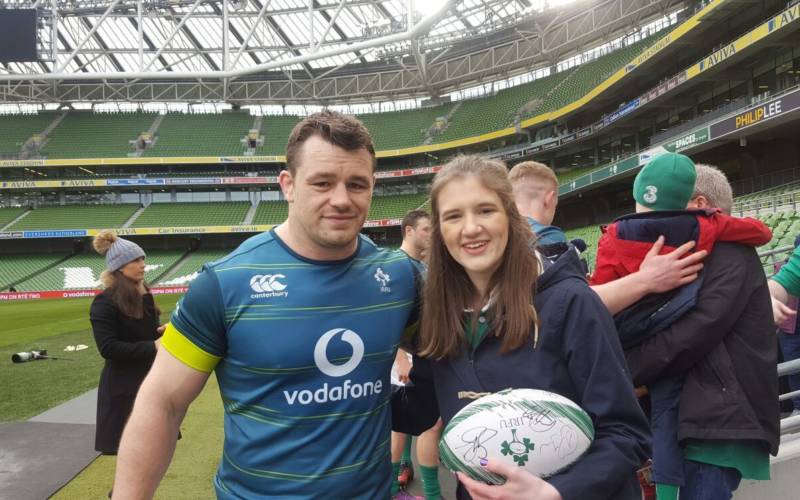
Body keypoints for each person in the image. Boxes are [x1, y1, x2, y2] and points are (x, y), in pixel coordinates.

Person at [112, 111, 421, 498]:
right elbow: (164, 402)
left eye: (357, 184)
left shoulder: (400, 277)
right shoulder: (224, 283)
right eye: (322, 182)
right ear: (288, 185)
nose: (341, 199)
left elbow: (451, 356)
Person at [393, 155, 652, 500]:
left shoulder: (571, 302)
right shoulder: (440, 316)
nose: (470, 228)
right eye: (453, 216)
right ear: (440, 232)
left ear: (510, 217)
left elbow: (627, 433)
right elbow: (417, 411)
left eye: (485, 210)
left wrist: (556, 492)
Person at [589, 154, 772, 497]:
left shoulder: (731, 255)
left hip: (711, 425)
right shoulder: (676, 252)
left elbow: (689, 336)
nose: (656, 223)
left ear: (701, 205)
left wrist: (625, 374)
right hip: (687, 423)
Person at [507, 160, 709, 316]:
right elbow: (575, 307)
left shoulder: (499, 240)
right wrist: (645, 279)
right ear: (549, 199)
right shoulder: (550, 240)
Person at [90, 230, 163, 457]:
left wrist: (163, 332)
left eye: (143, 259)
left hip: (148, 383)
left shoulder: (143, 294)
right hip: (122, 389)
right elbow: (108, 348)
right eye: (136, 260)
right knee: (132, 455)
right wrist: (154, 346)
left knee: (154, 450)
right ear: (120, 266)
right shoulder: (104, 302)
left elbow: (147, 333)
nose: (143, 265)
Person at [390, 209, 444, 500]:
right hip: (408, 357)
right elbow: (391, 319)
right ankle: (404, 490)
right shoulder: (398, 266)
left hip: (424, 354)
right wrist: (401, 358)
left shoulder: (420, 265)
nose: (431, 234)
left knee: (414, 422)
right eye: (426, 229)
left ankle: (397, 482)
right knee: (417, 425)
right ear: (408, 231)